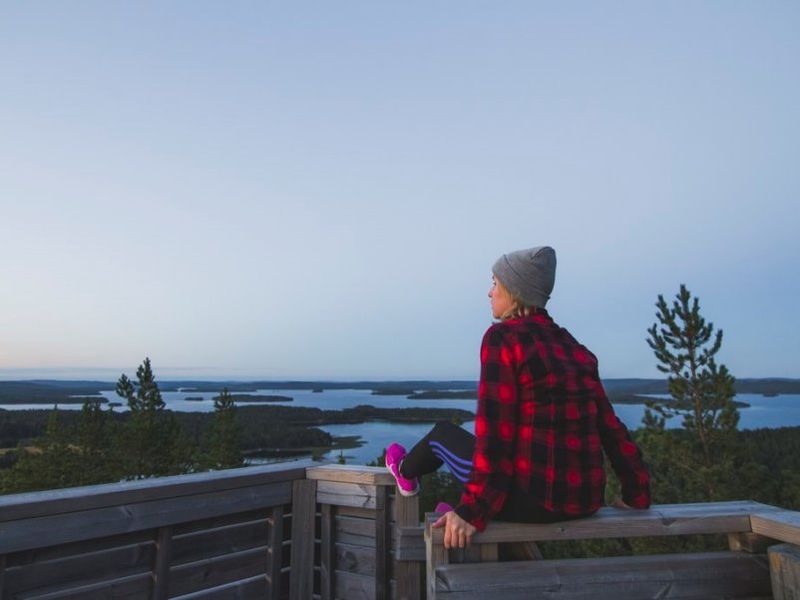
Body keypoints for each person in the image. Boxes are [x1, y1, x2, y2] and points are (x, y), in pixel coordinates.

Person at [385, 246, 651, 550]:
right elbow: (611, 429)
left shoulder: (503, 339)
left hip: (531, 503)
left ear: (515, 290)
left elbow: (495, 435)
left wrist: (472, 511)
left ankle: (405, 473)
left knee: (442, 434)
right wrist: (636, 494)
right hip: (584, 502)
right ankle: (442, 500)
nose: (489, 292)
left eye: (495, 283)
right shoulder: (574, 348)